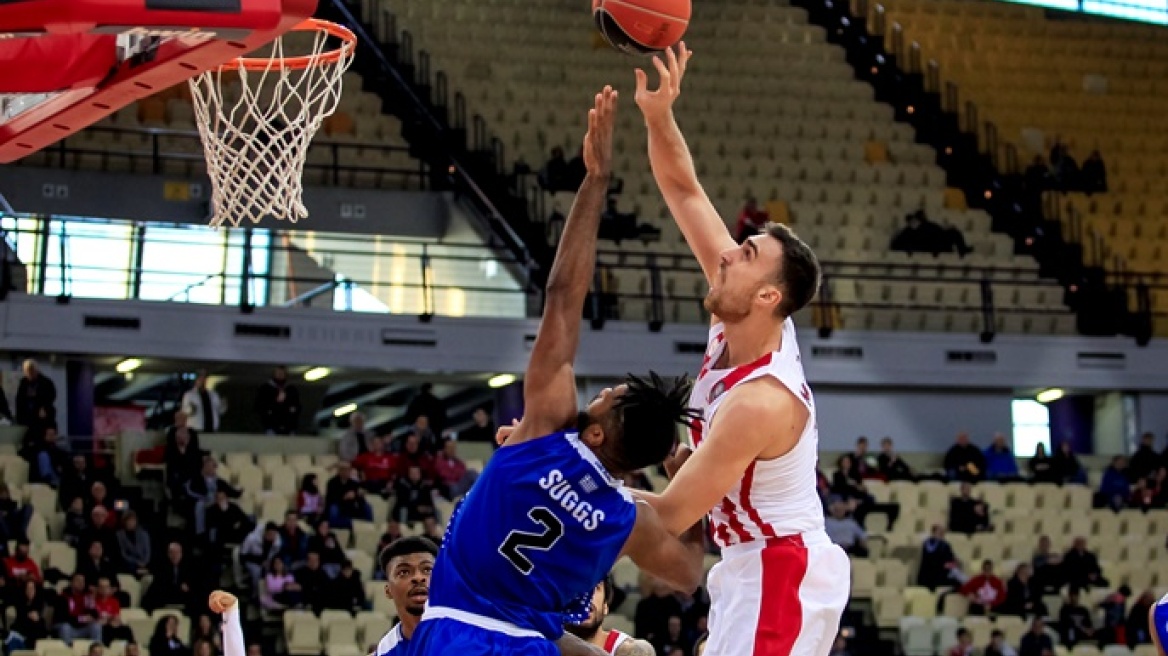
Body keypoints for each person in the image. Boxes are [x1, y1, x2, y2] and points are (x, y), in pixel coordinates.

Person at [410, 87, 706, 656]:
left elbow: (563, 296)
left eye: (607, 397)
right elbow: (690, 574)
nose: (601, 392)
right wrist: (685, 497)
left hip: (458, 631)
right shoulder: (627, 519)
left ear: (595, 430)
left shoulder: (545, 428)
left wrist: (594, 182)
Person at [633, 43, 849, 656]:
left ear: (768, 296)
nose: (727, 253)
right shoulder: (738, 309)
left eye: (746, 254)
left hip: (781, 569)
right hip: (752, 565)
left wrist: (559, 480)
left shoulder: (761, 401)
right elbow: (684, 191)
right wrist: (659, 114)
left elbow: (669, 518)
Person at [373, 537, 439, 656]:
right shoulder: (386, 651)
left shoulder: (472, 638)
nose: (418, 577)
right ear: (388, 591)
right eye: (404, 572)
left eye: (427, 569)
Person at [564, 579, 655, 656]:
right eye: (576, 586)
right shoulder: (551, 645)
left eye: (595, 588)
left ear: (605, 607)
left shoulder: (630, 650)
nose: (585, 596)